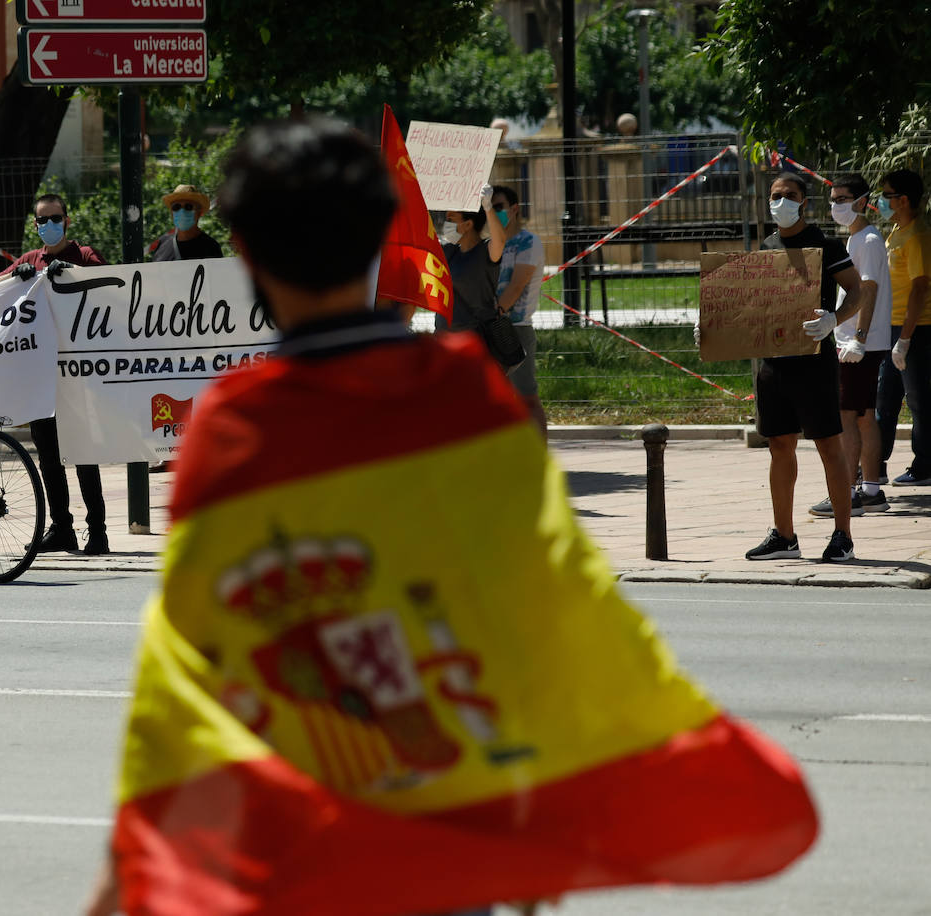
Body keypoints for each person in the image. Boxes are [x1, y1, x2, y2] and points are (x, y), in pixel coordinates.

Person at [84, 118, 817, 916]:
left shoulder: (230, 434)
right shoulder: (466, 398)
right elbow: (553, 599)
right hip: (464, 830)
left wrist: (125, 872)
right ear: (381, 236)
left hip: (313, 854)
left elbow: (186, 668)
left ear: (248, 256)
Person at [744, 173, 865, 562]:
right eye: (776, 196)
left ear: (804, 202)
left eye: (790, 196)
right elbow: (750, 302)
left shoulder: (825, 245)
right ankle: (784, 536)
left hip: (814, 363)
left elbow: (857, 289)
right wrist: (714, 327)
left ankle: (842, 535)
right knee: (779, 444)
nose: (781, 202)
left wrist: (834, 318)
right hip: (773, 363)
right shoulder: (767, 246)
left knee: (829, 444)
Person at [0, 193, 109, 556]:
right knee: (48, 457)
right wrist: (17, 278)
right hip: (41, 377)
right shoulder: (30, 260)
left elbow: (111, 289)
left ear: (67, 219)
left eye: (55, 217)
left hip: (79, 375)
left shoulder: (85, 256)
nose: (49, 224)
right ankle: (62, 529)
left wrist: (77, 276)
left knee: (82, 452)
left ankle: (98, 532)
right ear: (35, 225)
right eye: (42, 219)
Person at [808, 174, 893, 519]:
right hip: (858, 342)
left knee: (846, 418)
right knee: (863, 418)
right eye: (833, 199)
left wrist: (858, 339)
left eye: (842, 199)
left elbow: (868, 291)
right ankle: (870, 490)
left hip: (859, 343)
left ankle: (849, 493)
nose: (835, 206)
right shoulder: (859, 238)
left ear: (861, 201)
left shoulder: (867, 240)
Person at [874, 169, 931, 488]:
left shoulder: (918, 235)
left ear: (904, 199)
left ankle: (924, 464)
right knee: (886, 398)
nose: (882, 201)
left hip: (916, 329)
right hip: (892, 327)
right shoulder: (897, 230)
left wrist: (905, 339)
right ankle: (875, 464)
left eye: (887, 195)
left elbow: (919, 289)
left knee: (919, 399)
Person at [491, 185, 547, 435]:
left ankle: (540, 462)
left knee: (526, 397)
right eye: (490, 207)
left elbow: (514, 289)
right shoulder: (492, 244)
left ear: (514, 210)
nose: (494, 212)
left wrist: (492, 315)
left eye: (499, 207)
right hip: (491, 328)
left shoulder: (528, 242)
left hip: (516, 330)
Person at [436, 183, 506, 334]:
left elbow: (500, 241)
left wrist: (488, 207)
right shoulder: (449, 251)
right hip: (444, 338)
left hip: (474, 339)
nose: (446, 224)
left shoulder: (484, 252)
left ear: (467, 224)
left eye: (451, 219)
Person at [147, 184, 224, 261]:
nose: (182, 211)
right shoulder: (162, 245)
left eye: (188, 207)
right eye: (176, 207)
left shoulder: (211, 248)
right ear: (171, 213)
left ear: (199, 213)